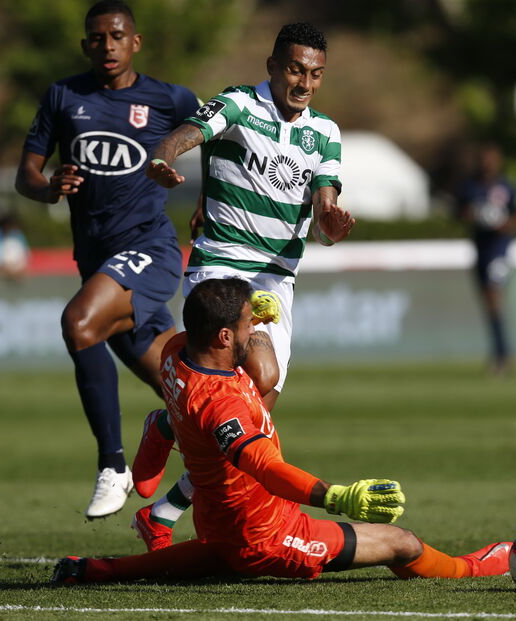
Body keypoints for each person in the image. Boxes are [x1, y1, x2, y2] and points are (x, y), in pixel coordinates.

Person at [51, 278, 511, 585]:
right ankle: (472, 569)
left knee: (200, 557)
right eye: (248, 324)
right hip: (267, 535)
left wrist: (255, 317)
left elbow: (250, 360)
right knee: (403, 543)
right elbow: (268, 470)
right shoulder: (221, 404)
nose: (255, 329)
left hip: (219, 519)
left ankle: (95, 563)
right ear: (224, 338)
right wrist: (337, 498)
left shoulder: (176, 349)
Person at [129, 22, 355, 549]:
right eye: (296, 69)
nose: (305, 82)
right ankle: (168, 445)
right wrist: (164, 158)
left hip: (276, 278)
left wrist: (330, 221)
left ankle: (165, 470)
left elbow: (324, 199)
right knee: (259, 371)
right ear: (273, 65)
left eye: (316, 74)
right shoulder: (237, 104)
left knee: (258, 406)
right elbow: (188, 133)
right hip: (222, 263)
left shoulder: (325, 132)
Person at [13, 0, 200, 518]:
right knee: (189, 393)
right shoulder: (63, 96)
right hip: (97, 264)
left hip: (150, 249)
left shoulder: (168, 99)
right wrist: (49, 187)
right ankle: (235, 476)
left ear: (134, 42)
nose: (107, 46)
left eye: (117, 36)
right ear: (85, 45)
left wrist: (208, 202)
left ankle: (113, 466)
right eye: (97, 38)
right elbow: (24, 175)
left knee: (78, 323)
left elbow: (221, 142)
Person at [455, 143, 516, 375]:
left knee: (494, 297)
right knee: (488, 302)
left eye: (492, 159)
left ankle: (502, 356)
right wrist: (473, 215)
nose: (488, 163)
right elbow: (458, 212)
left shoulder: (507, 187)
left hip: (500, 250)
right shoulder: (471, 186)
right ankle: (501, 354)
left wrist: (506, 225)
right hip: (481, 250)